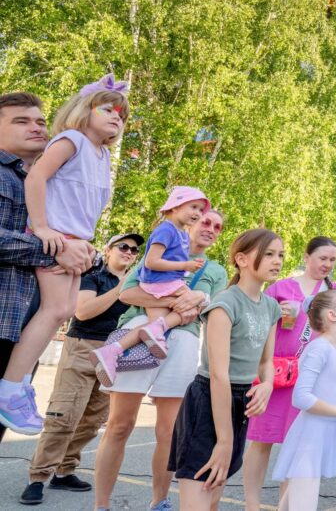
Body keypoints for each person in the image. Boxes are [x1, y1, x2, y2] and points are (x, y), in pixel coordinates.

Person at [1, 75, 126, 434]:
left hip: (70, 245)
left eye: (121, 114)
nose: (116, 117)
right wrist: (44, 233)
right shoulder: (69, 143)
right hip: (53, 243)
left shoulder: (98, 156)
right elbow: (39, 183)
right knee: (56, 309)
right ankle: (11, 388)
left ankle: (18, 384)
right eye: (107, 109)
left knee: (64, 309)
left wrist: (86, 248)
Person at [92, 210, 225, 511]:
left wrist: (198, 299)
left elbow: (209, 308)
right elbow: (127, 294)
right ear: (190, 222)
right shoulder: (158, 254)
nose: (211, 229)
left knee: (169, 432)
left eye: (217, 227)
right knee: (119, 425)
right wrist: (177, 301)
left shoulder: (216, 270)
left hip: (184, 342)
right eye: (205, 221)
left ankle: (159, 502)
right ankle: (101, 505)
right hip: (139, 333)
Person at [0, 92, 94, 445]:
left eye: (40, 121)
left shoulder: (51, 180)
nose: (37, 127)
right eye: (21, 121)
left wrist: (89, 254)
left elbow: (71, 237)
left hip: (25, 329)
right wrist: (55, 252)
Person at [19, 233, 141, 505]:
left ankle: (64, 470)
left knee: (93, 420)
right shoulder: (93, 277)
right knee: (64, 415)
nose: (129, 252)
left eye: (134, 250)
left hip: (115, 353)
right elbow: (83, 312)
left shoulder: (137, 283)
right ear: (108, 250)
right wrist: (120, 289)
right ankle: (38, 477)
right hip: (83, 348)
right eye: (123, 246)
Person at [168, 228, 282, 510]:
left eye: (280, 255)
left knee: (213, 499)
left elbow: (266, 362)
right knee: (197, 498)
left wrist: (267, 385)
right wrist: (224, 441)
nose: (277, 261)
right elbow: (219, 376)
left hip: (240, 402)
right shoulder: (224, 303)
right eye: (269, 254)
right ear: (242, 259)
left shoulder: (271, 307)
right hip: (210, 400)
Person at [242, 236, 336, 511]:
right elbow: (256, 323)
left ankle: (287, 505)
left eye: (332, 260)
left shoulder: (335, 292)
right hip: (275, 375)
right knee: (261, 440)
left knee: (298, 446)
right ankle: (252, 504)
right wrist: (275, 314)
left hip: (311, 378)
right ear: (306, 257)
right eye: (322, 258)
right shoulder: (280, 288)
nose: (327, 264)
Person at [91, 187, 211, 386]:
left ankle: (112, 351)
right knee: (190, 306)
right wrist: (185, 266)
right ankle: (157, 329)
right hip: (162, 282)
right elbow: (151, 262)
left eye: (200, 210)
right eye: (194, 207)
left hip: (165, 282)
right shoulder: (166, 230)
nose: (198, 213)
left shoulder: (181, 233)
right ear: (175, 206)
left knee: (154, 325)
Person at [272, 288, 336, 510]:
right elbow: (301, 397)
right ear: (332, 315)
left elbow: (326, 394)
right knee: (302, 503)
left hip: (320, 436)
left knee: (292, 504)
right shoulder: (319, 349)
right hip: (309, 439)